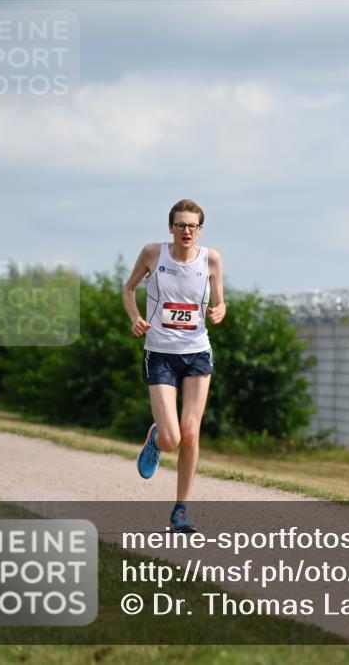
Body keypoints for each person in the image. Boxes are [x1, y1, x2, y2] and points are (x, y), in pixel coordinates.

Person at [122, 199, 225, 533]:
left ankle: (181, 511)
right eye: (180, 224)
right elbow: (128, 288)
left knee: (191, 432)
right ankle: (156, 438)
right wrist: (136, 318)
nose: (186, 231)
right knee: (172, 438)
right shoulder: (154, 254)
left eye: (192, 225)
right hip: (161, 353)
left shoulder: (211, 259)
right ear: (171, 227)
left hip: (197, 352)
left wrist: (219, 310)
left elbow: (220, 300)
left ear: (200, 230)